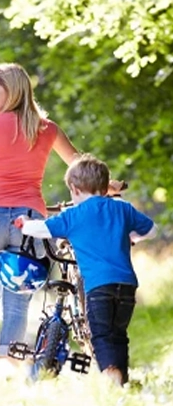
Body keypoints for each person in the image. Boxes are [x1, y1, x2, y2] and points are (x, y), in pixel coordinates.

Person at [0, 62, 80, 371]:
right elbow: (78, 165)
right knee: (19, 295)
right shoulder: (48, 129)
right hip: (29, 220)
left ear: (12, 89)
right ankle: (10, 364)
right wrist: (106, 184)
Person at [15, 153, 157, 385]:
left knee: (101, 335)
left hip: (98, 287)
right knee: (119, 335)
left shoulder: (73, 215)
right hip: (127, 285)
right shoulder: (123, 208)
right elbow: (151, 231)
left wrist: (23, 224)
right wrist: (130, 237)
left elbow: (42, 229)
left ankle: (111, 374)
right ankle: (120, 380)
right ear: (104, 186)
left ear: (75, 189)